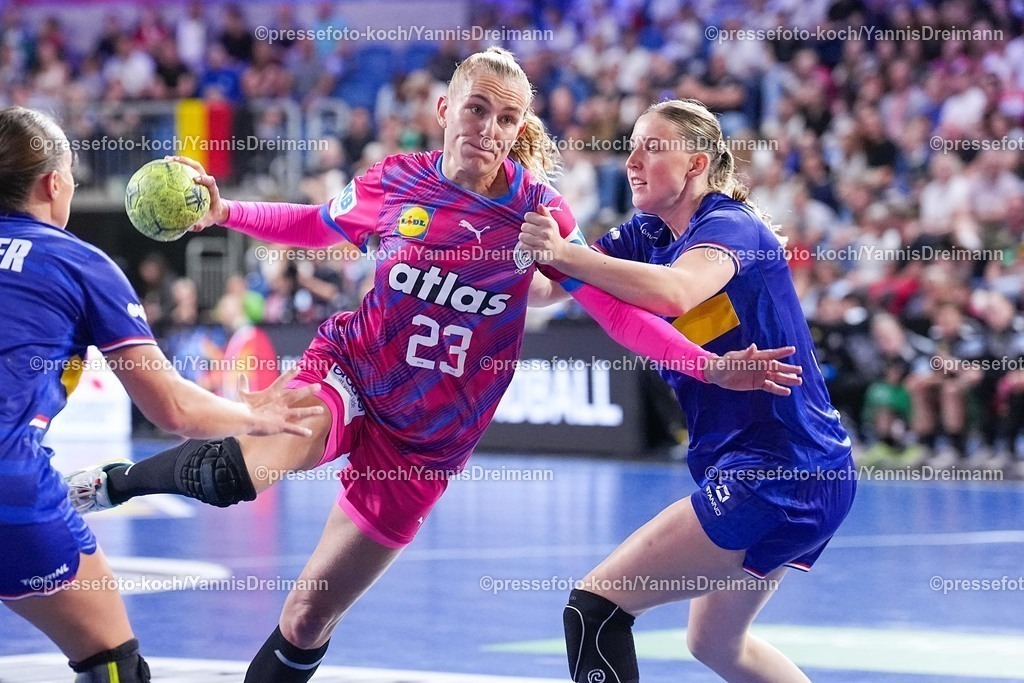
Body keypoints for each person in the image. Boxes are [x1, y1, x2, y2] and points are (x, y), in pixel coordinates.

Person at [67, 50, 801, 683]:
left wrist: (706, 366)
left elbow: (615, 311)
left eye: (506, 119)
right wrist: (227, 212)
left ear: (519, 131)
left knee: (307, 614)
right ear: (446, 107)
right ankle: (115, 482)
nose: (487, 128)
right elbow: (318, 224)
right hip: (351, 374)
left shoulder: (537, 215)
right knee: (249, 468)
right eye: (476, 108)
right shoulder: (395, 180)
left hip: (426, 445)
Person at [518, 98, 857, 683]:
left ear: (697, 164)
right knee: (716, 644)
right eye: (631, 147)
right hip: (804, 469)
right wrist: (481, 251)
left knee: (595, 609)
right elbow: (550, 291)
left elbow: (677, 292)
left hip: (776, 469)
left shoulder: (730, 225)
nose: (634, 160)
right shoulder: (646, 234)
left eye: (654, 147)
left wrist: (565, 254)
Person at [0, 106, 322, 682]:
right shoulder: (79, 263)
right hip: (10, 487)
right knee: (113, 664)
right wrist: (252, 413)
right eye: (70, 171)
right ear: (53, 183)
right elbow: (171, 408)